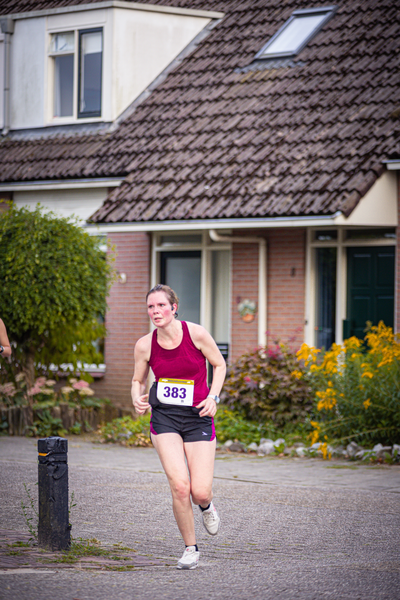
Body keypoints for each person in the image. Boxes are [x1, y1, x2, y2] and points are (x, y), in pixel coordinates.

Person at [132, 284, 226, 570]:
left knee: (199, 491)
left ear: (174, 308)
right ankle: (190, 548)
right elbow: (138, 379)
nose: (156, 311)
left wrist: (213, 397)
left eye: (161, 305)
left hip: (197, 416)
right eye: (151, 307)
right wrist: (136, 398)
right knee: (180, 487)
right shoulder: (145, 344)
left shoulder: (196, 333)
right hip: (165, 418)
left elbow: (219, 365)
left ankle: (207, 506)